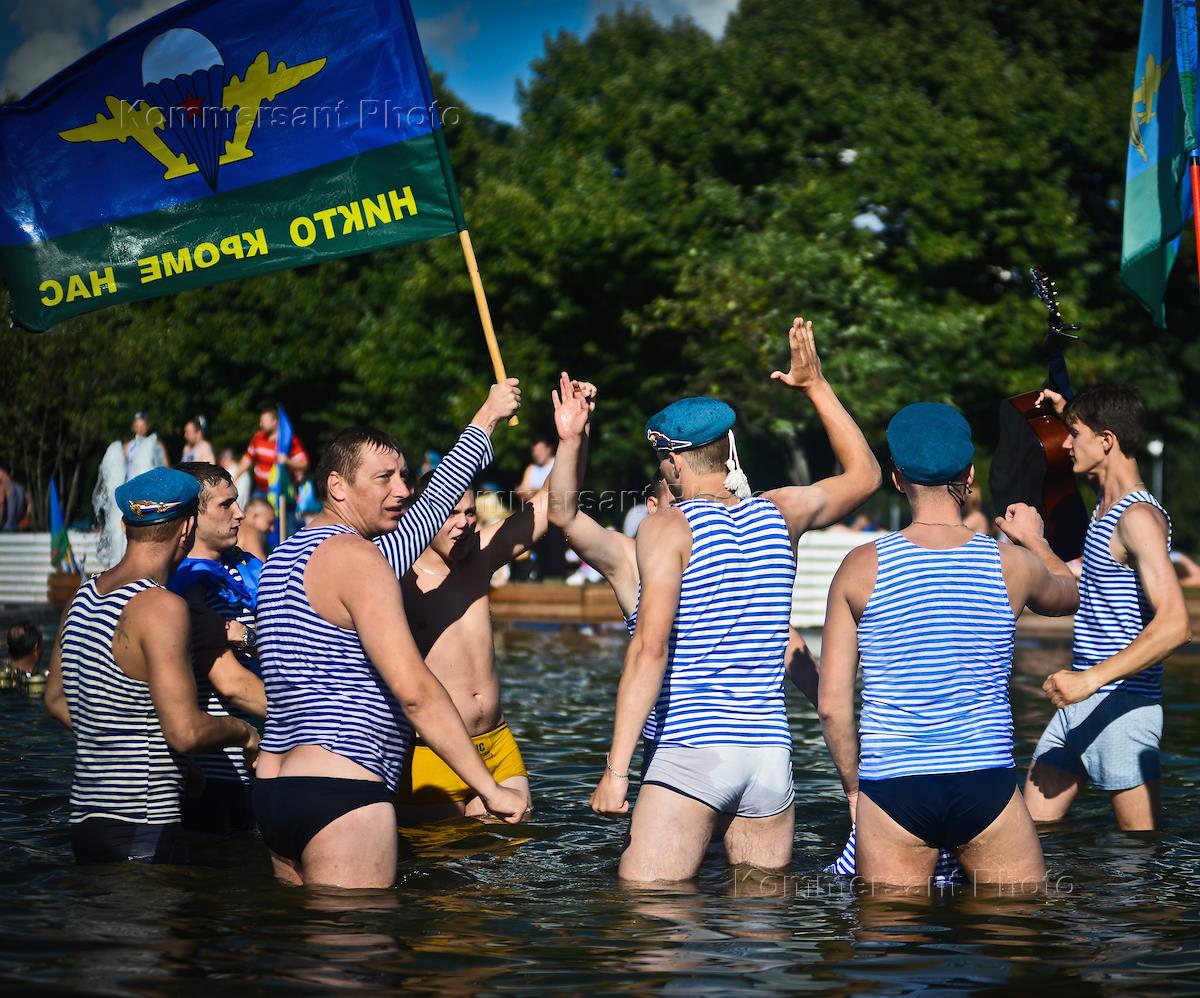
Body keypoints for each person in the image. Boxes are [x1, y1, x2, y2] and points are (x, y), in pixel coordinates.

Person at [588, 317, 881, 883]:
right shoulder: (782, 511)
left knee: (651, 919)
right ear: (726, 451)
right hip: (769, 760)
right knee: (761, 934)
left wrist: (616, 770)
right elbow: (865, 473)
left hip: (694, 749)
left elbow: (649, 649)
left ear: (672, 460)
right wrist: (815, 385)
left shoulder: (668, 529)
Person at [253, 382, 530, 889]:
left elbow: (434, 503)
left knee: (296, 961)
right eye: (384, 478)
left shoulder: (282, 559)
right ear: (337, 486)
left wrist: (487, 418)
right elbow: (416, 692)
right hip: (343, 790)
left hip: (275, 788)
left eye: (403, 476)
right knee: (358, 956)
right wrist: (488, 788)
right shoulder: (362, 560)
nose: (402, 490)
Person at [818, 402, 1078, 888]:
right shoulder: (1010, 564)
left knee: (887, 958)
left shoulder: (858, 567)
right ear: (971, 473)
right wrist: (1036, 541)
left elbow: (833, 707)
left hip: (893, 786)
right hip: (985, 782)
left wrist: (857, 793)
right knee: (1013, 937)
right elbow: (1068, 597)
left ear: (897, 479)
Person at [43, 467, 260, 865]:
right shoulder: (162, 606)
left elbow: (56, 700)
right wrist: (244, 732)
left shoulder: (83, 596)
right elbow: (186, 731)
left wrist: (163, 756)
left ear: (126, 526)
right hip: (144, 825)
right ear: (187, 529)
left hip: (86, 825)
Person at [1024, 385, 1191, 832]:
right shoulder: (1103, 511)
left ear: (1107, 440)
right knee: (1028, 840)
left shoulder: (1138, 518)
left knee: (1139, 865)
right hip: (1079, 705)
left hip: (1121, 705)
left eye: (1073, 433)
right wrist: (1035, 544)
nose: (1064, 443)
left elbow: (1176, 625)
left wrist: (1089, 680)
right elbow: (1086, 587)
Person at [394, 416, 564, 823]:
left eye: (470, 512)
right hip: (433, 752)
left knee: (510, 863)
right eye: (451, 514)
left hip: (498, 742)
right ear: (423, 518)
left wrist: (573, 436)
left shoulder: (480, 557)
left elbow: (551, 503)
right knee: (445, 878)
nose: (464, 523)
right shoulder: (400, 578)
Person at [170, 462, 268, 836]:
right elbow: (230, 684)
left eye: (237, 502)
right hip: (218, 772)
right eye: (226, 505)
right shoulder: (187, 582)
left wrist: (249, 638)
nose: (240, 513)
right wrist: (313, 723)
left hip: (258, 761)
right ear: (192, 516)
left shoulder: (244, 568)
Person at [93, 413, 170, 568]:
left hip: (148, 497)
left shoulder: (155, 445)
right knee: (124, 533)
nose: (140, 428)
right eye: (137, 425)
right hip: (130, 495)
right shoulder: (128, 447)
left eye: (143, 425)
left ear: (148, 426)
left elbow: (166, 469)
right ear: (133, 427)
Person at [236, 405, 308, 496]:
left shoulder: (289, 441)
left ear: (274, 422)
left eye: (264, 421)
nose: (260, 424)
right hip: (260, 490)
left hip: (282, 493)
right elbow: (247, 459)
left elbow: (304, 465)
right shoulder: (258, 437)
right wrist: (235, 478)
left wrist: (287, 461)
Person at [239, 496, 275, 562]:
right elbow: (261, 567)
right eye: (269, 523)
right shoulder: (250, 531)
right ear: (254, 516)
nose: (272, 529)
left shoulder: (238, 527)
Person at [0, 463, 32, 532]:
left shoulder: (2, 488)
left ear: (2, 472)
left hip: (4, 529)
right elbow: (30, 505)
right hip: (15, 528)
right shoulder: (21, 488)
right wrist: (24, 521)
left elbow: (1, 505)